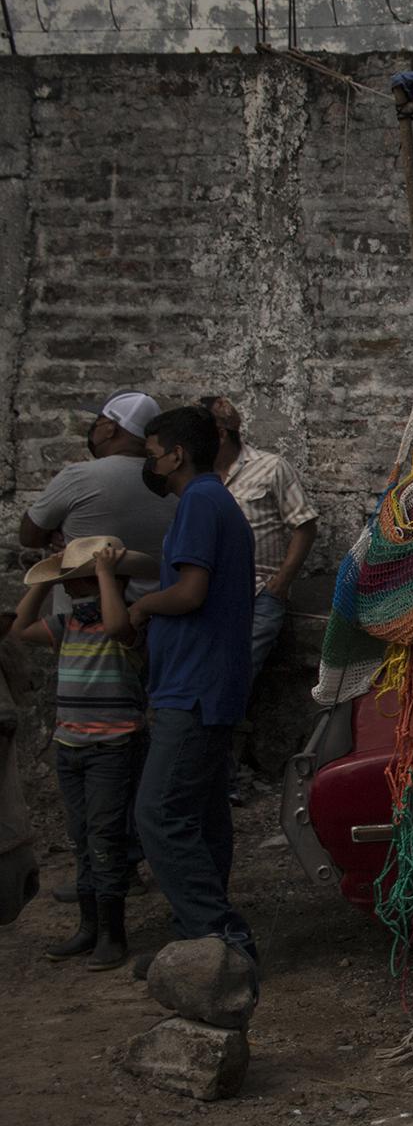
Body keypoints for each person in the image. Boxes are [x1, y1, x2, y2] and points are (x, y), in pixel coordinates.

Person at [127, 405, 257, 970]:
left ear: (176, 454)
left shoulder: (200, 501)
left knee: (158, 813)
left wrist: (140, 607)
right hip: (207, 682)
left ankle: (218, 935)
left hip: (194, 687)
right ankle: (199, 942)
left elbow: (189, 592)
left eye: (153, 453)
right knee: (202, 817)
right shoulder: (212, 501)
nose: (150, 463)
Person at [8, 537, 155, 969]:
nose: (72, 590)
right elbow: (17, 629)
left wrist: (106, 574)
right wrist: (45, 576)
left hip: (113, 746)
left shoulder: (128, 623)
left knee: (105, 837)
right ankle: (90, 926)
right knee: (82, 838)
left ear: (106, 581)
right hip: (70, 746)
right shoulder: (67, 624)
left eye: (78, 582)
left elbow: (114, 628)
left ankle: (113, 932)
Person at [204, 396, 318, 798]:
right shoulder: (199, 477)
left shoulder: (270, 467)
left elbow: (303, 524)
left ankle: (226, 776)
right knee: (216, 682)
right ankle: (221, 774)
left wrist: (281, 582)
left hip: (259, 595)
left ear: (219, 433)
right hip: (209, 600)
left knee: (234, 678)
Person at [19, 390, 175, 595]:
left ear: (111, 428)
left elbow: (29, 536)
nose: (93, 428)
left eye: (99, 420)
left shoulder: (79, 476)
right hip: (152, 614)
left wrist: (55, 532)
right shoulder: (171, 481)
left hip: (85, 616)